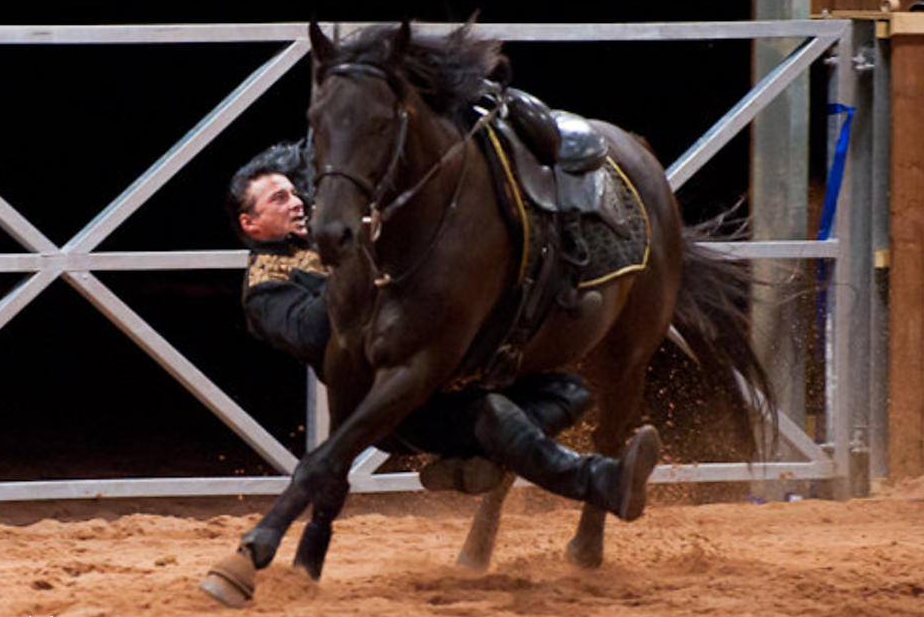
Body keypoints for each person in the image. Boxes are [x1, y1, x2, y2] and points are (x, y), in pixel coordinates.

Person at [226, 141, 659, 513]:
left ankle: (482, 459)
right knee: (495, 416)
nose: (296, 202)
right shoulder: (265, 287)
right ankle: (600, 480)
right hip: (395, 407)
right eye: (278, 199)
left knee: (571, 391)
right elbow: (312, 335)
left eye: (293, 192)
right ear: (251, 224)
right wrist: (353, 266)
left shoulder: (321, 244)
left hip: (434, 371)